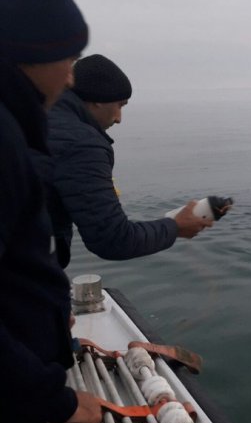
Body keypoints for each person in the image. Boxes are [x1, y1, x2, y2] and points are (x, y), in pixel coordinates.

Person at [0, 0, 102, 423]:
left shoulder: (17, 125)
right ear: (27, 56)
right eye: (68, 57)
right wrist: (53, 400)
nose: (70, 74)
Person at [35, 53, 212, 268]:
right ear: (98, 101)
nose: (119, 118)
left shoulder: (33, 116)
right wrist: (176, 227)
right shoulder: (82, 144)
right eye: (120, 105)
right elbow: (113, 239)